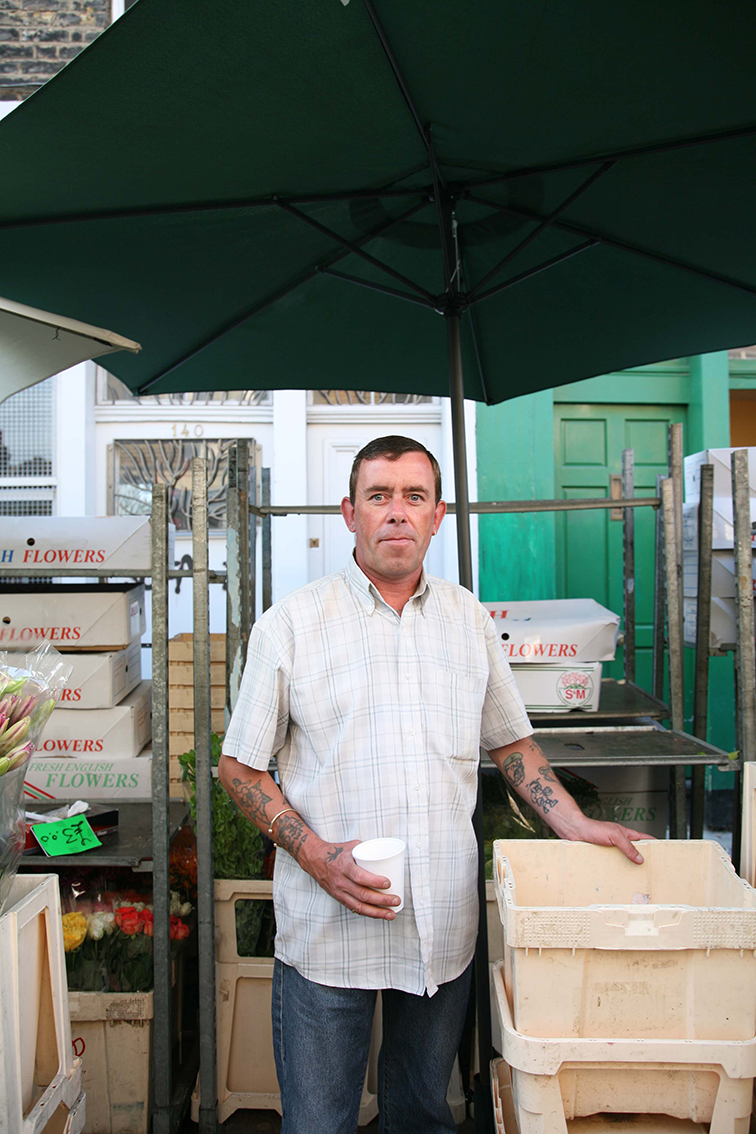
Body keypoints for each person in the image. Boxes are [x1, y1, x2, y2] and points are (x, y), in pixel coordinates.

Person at [219, 434, 645, 1134]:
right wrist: (314, 855)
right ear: (348, 513)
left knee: (422, 1116)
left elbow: (511, 744)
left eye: (414, 496)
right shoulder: (291, 625)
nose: (396, 513)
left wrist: (577, 824)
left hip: (441, 927)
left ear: (438, 514)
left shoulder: (467, 620)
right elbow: (238, 768)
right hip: (330, 930)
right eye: (378, 496)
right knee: (318, 1123)